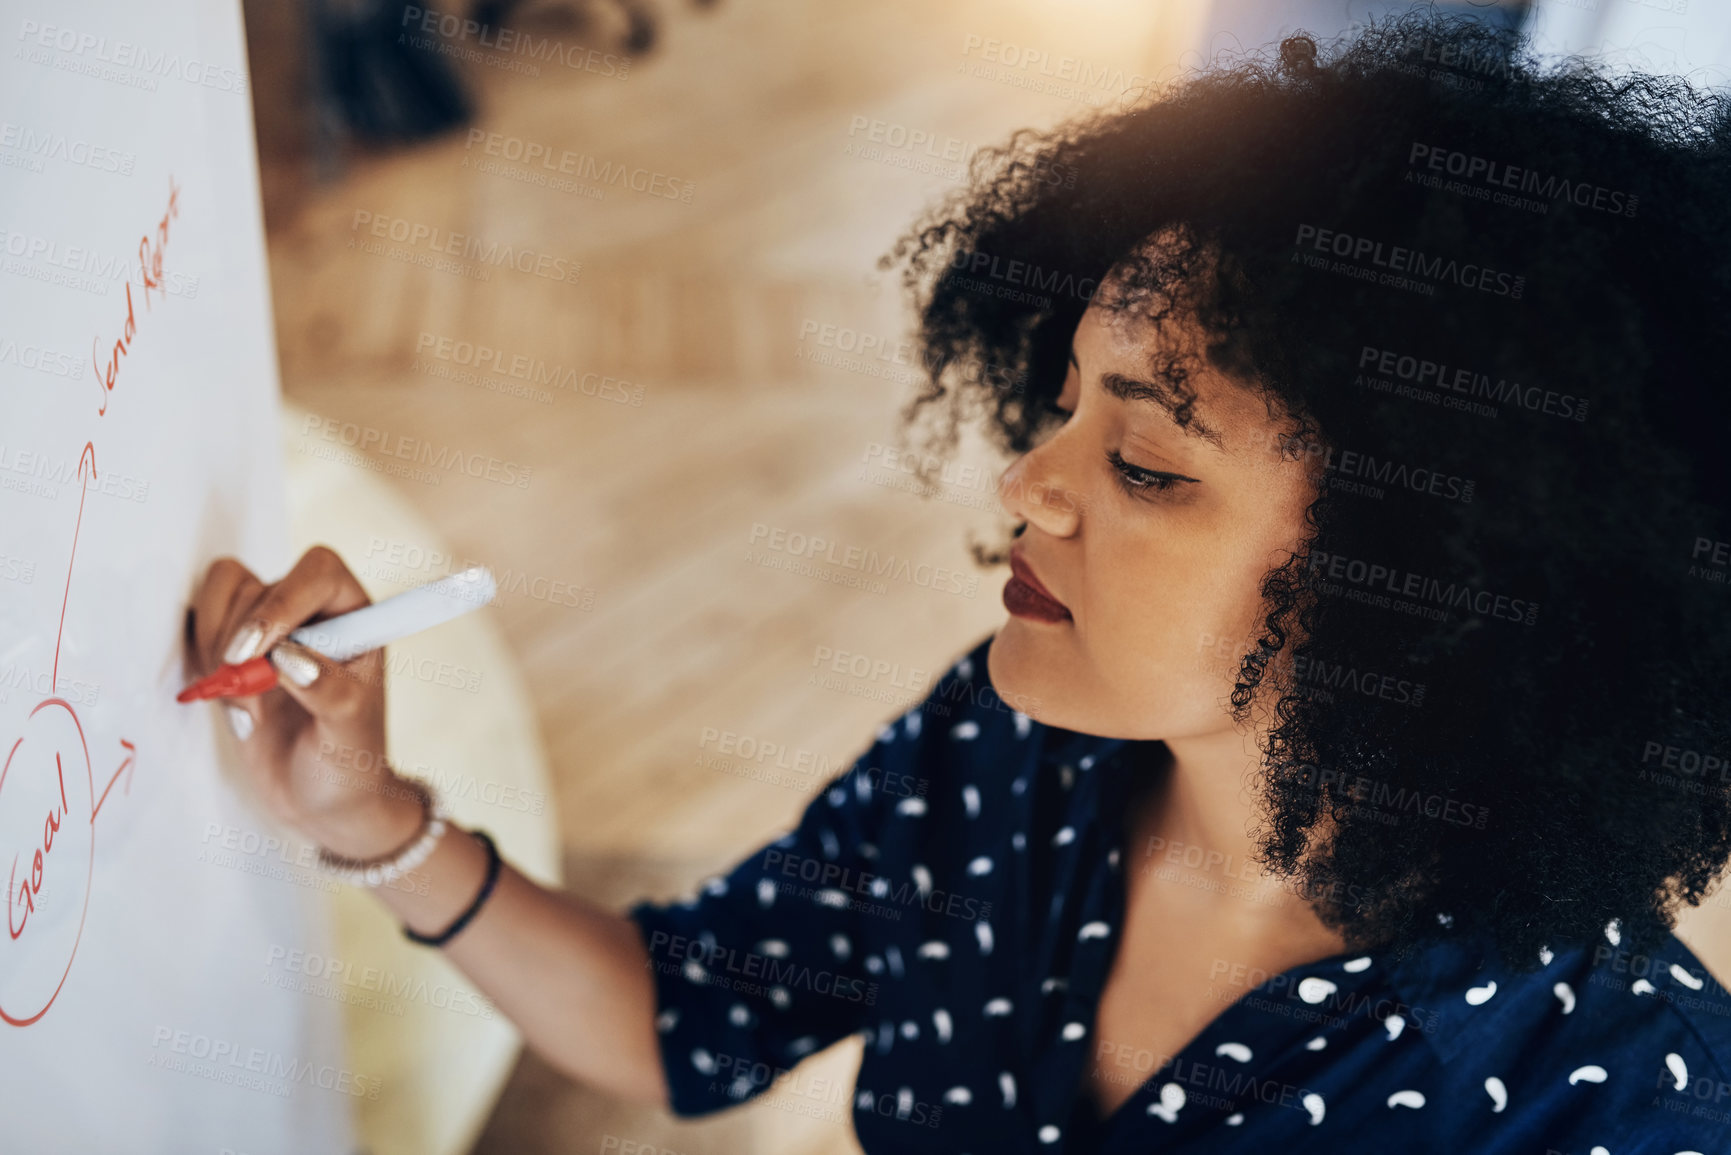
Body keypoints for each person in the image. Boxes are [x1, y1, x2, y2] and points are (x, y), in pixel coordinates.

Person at [185, 12, 1731, 1152]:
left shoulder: (1618, 1094)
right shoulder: (1007, 762)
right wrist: (371, 818)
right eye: (1063, 403)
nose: (1027, 482)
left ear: (1430, 579)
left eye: (1146, 466)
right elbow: (683, 1017)